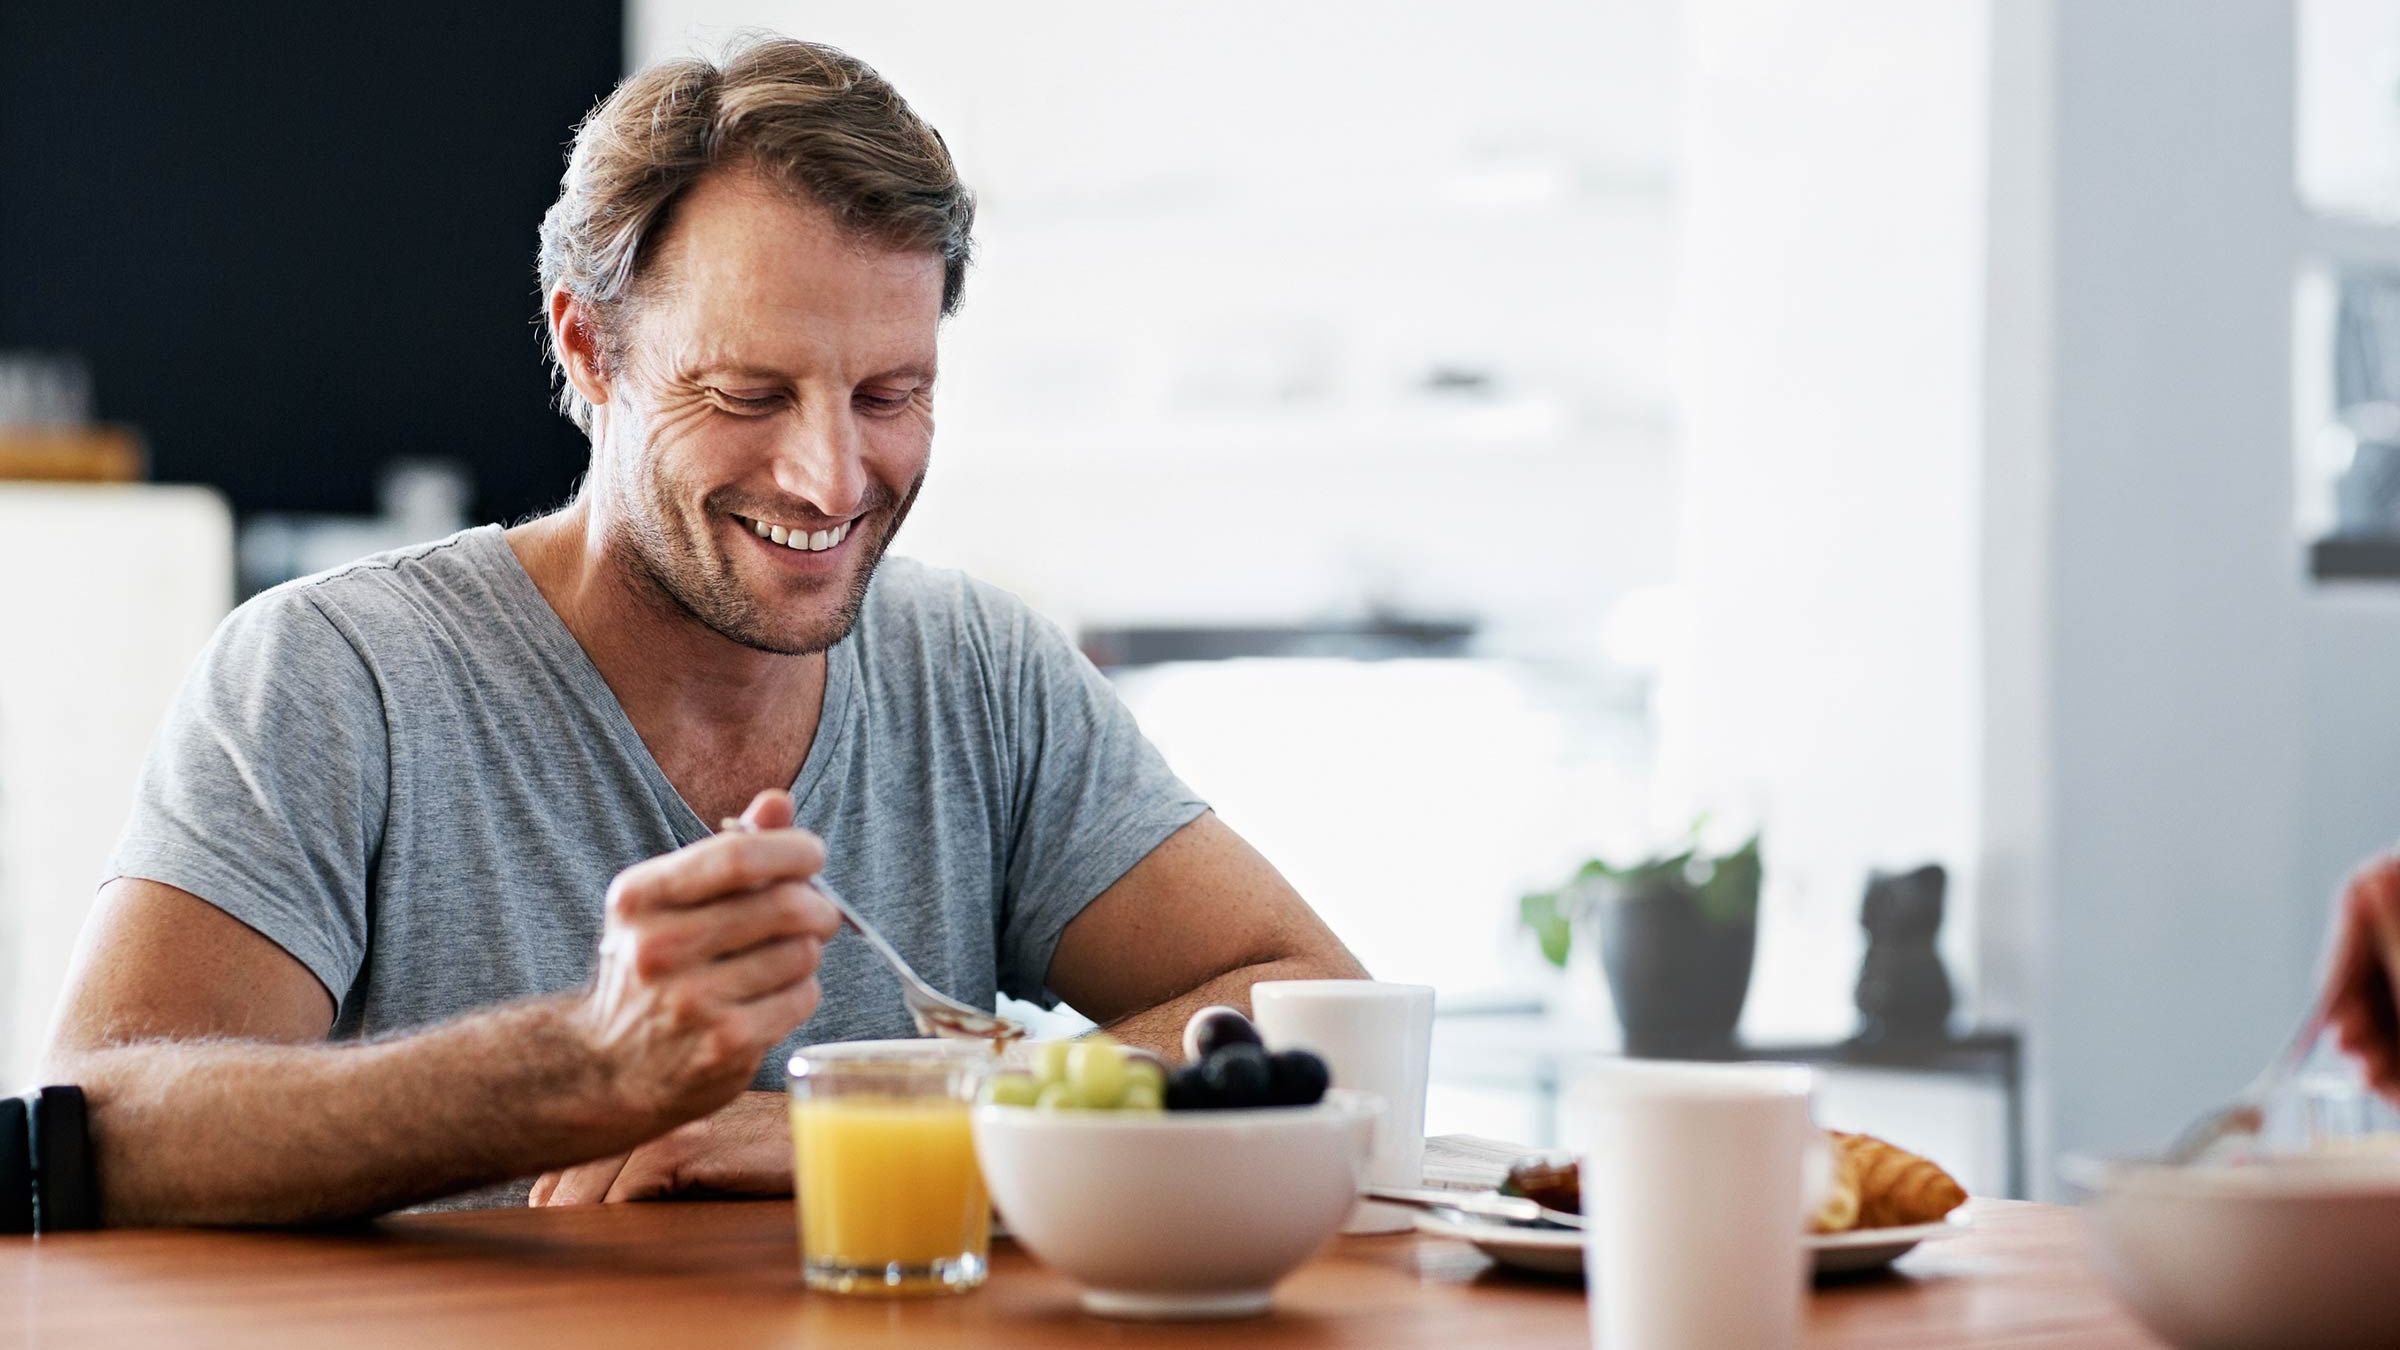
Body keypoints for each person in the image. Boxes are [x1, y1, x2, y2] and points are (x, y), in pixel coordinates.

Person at [39, 35, 1365, 1226]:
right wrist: (583, 1068)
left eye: (891, 392)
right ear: (588, 351)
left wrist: (876, 1124)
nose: (831, 477)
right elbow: (101, 1124)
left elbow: (1308, 999)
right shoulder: (339, 674)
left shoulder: (980, 673)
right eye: (749, 391)